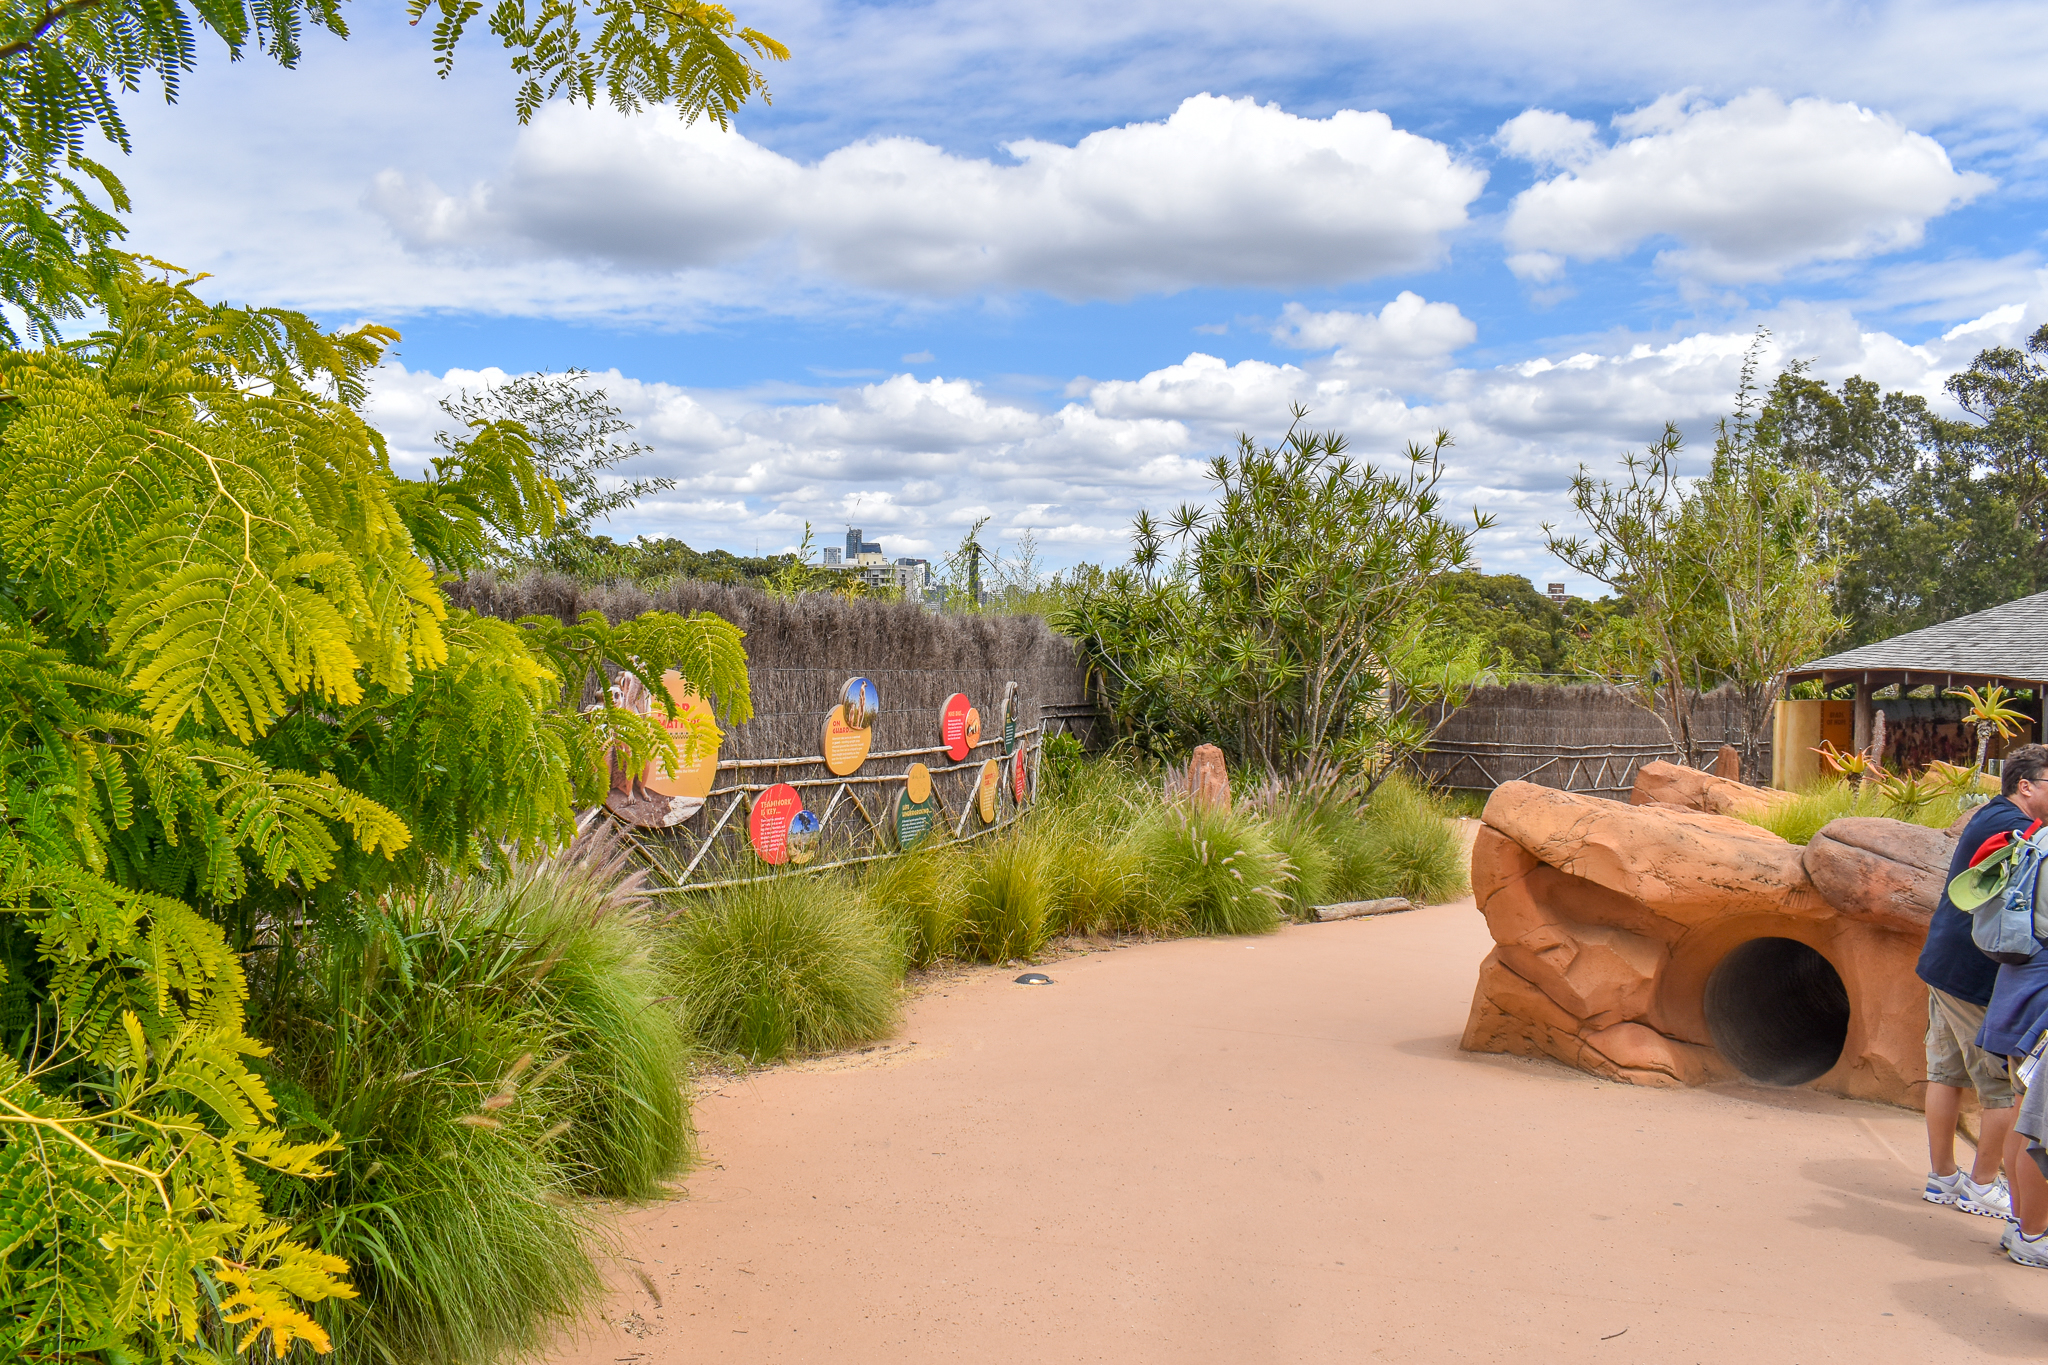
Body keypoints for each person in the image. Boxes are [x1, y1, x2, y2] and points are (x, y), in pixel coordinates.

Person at [1915, 744, 2044, 1219]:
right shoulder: (2019, 830)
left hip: (1943, 963)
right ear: (2025, 785)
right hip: (1974, 973)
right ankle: (1983, 1184)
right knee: (2002, 1088)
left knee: (1945, 1072)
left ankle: (1943, 1177)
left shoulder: (1990, 814)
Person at [1970, 743, 2048, 1266]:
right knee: (2033, 1121)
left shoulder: (2035, 839)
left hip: (2021, 983)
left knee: (2029, 1113)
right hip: (2040, 989)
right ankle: (2032, 1233)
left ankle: (2022, 1227)